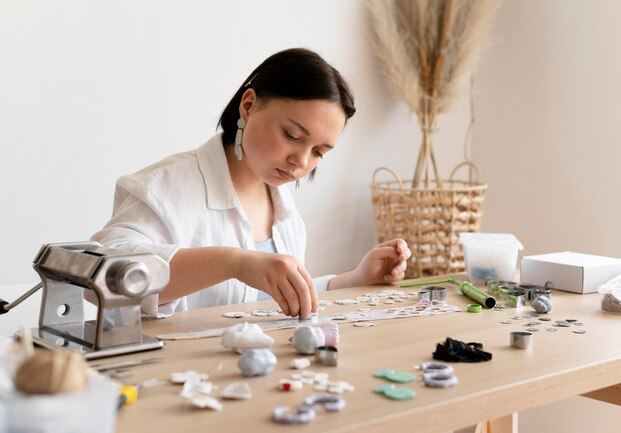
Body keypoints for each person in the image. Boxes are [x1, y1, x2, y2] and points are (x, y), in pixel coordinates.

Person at [91, 48, 411, 319]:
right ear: (248, 105)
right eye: (292, 136)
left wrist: (353, 279)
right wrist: (235, 263)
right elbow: (101, 275)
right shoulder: (162, 188)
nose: (301, 162)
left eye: (318, 152)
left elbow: (265, 304)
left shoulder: (284, 208)